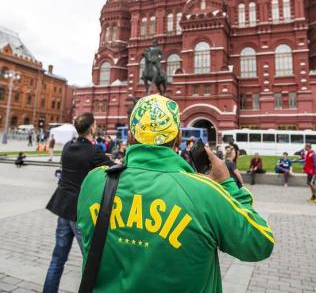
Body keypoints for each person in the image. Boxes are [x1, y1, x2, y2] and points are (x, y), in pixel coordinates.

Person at [77, 94, 274, 293]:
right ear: (178, 138)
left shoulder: (94, 182)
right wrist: (227, 185)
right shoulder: (205, 193)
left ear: (130, 136)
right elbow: (259, 243)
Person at [43, 112, 113, 293]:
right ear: (92, 127)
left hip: (63, 208)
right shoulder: (94, 151)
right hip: (80, 212)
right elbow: (112, 167)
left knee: (57, 258)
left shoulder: (67, 147)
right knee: (91, 261)